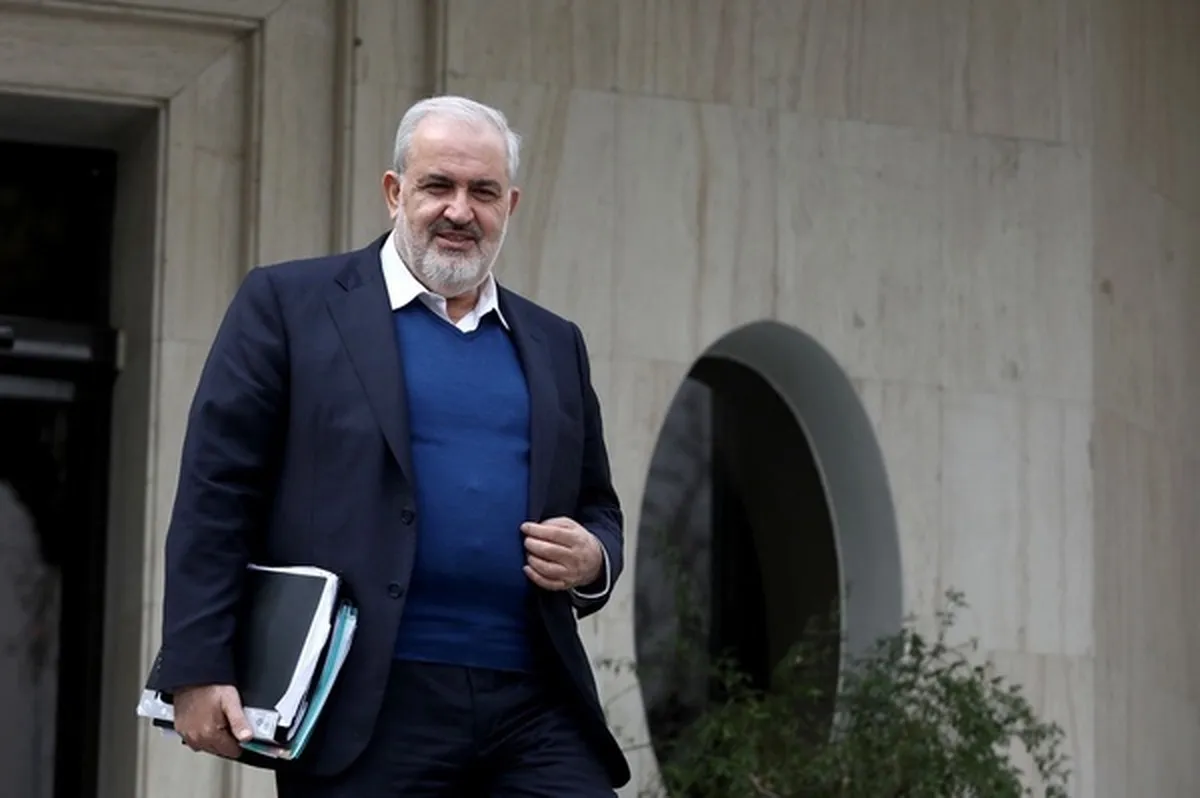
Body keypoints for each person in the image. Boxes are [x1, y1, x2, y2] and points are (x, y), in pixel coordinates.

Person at [157, 95, 628, 797]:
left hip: (536, 699)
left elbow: (597, 505)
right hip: (364, 701)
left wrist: (593, 560)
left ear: (511, 205)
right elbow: (216, 489)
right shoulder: (289, 305)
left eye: (483, 192)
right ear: (394, 191)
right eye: (438, 185)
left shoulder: (556, 342)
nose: (460, 211)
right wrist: (197, 664)